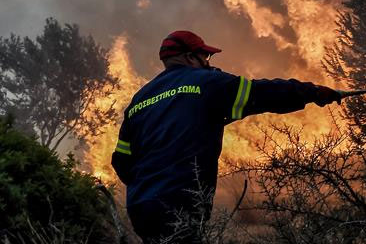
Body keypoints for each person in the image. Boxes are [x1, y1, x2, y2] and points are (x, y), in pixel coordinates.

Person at [112, 30, 343, 243]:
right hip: (181, 199)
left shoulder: (139, 99)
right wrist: (313, 92)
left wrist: (149, 185)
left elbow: (121, 161)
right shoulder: (206, 82)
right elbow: (263, 93)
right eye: (206, 56)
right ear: (190, 57)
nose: (208, 62)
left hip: (140, 206)